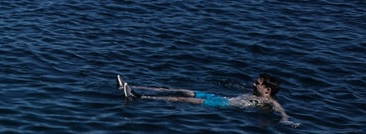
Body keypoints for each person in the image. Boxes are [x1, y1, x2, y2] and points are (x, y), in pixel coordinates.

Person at [117, 74, 291, 125]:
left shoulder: (270, 102)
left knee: (180, 99)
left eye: (258, 84)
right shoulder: (254, 94)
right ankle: (137, 86)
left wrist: (287, 121)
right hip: (218, 97)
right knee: (185, 91)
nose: (254, 84)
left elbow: (282, 112)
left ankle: (137, 96)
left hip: (222, 104)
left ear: (267, 90)